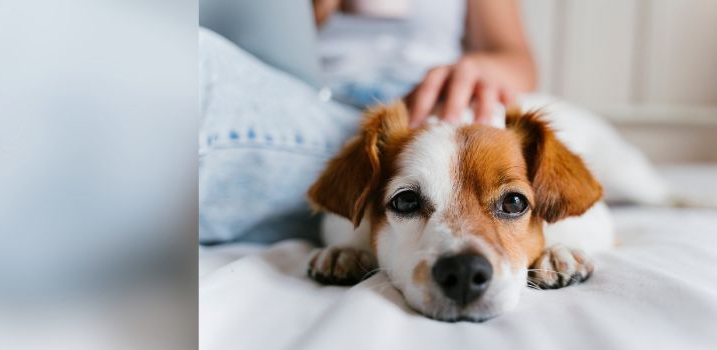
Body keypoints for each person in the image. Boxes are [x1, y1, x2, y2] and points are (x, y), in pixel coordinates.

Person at [198, 0, 536, 244]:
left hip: (422, 116)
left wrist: (477, 68)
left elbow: (518, 60)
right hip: (309, 103)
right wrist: (314, 10)